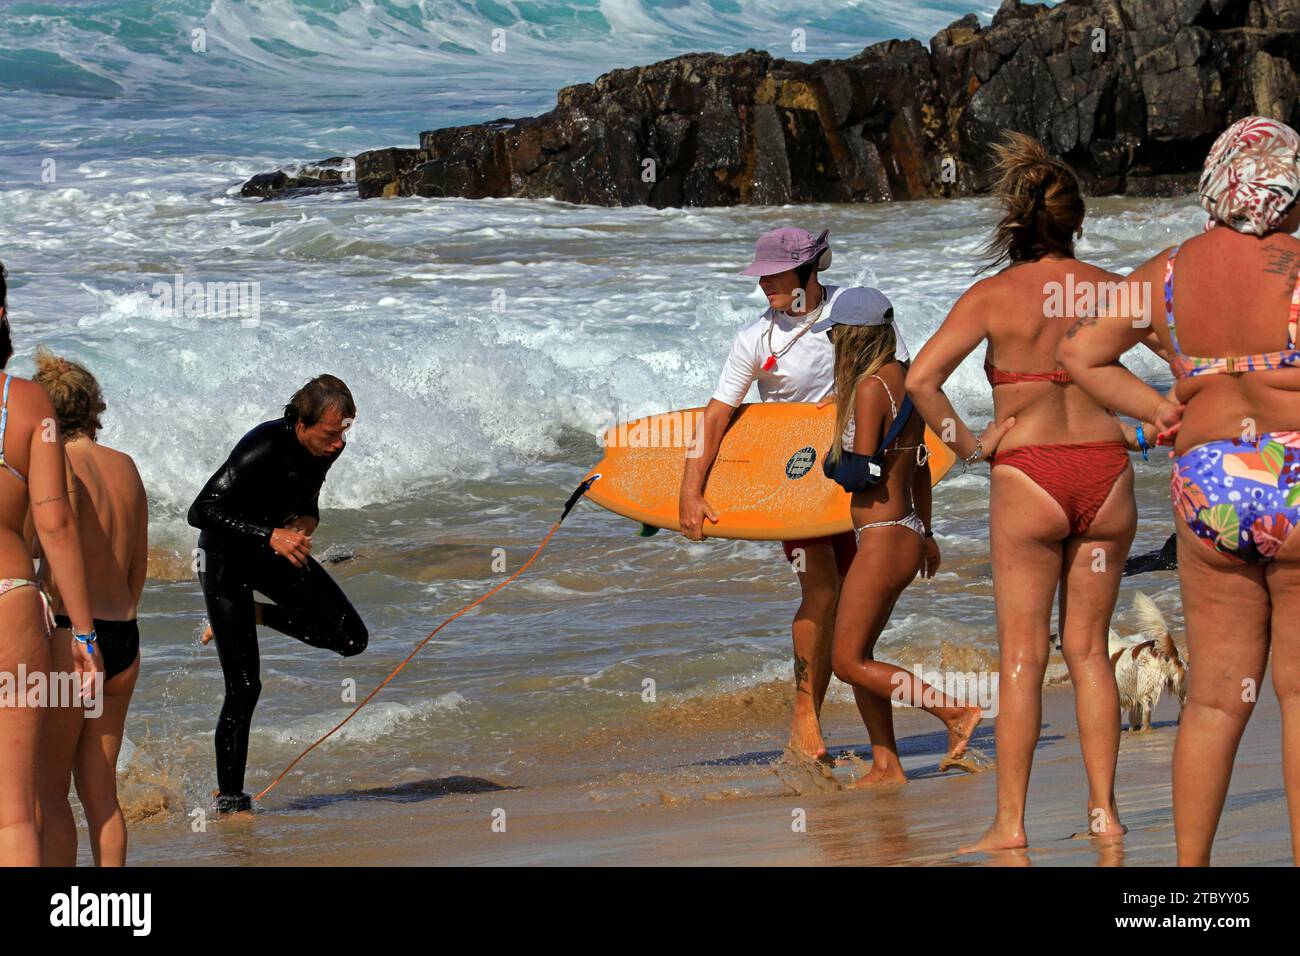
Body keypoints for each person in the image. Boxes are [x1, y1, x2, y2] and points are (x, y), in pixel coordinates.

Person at [1059, 116, 1300, 865]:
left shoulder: (1168, 272)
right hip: (1293, 472)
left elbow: (1081, 352)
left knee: (1217, 698)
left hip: (1209, 485)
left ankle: (1188, 885)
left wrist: (1160, 408)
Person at [907, 132, 1157, 852]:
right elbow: (1187, 361)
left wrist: (969, 446)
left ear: (1018, 223)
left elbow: (923, 382)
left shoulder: (991, 296)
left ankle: (1010, 827)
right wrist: (1151, 422)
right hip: (1107, 478)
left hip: (1029, 478)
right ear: (1077, 220)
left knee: (1020, 659)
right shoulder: (1118, 289)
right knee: (1088, 654)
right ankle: (1104, 812)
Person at [679, 227, 913, 762]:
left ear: (810, 273)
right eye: (761, 275)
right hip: (796, 483)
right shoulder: (754, 338)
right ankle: (805, 716)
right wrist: (690, 491)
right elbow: (716, 416)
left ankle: (885, 758)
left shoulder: (857, 315)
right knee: (823, 593)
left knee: (857, 616)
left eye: (775, 274)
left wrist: (920, 518)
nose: (764, 284)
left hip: (859, 481)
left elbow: (903, 395)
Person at [813, 288, 983, 785]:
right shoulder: (907, 382)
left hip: (884, 536)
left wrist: (825, 461)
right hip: (903, 530)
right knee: (861, 654)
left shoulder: (868, 390)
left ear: (853, 338)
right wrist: (926, 534)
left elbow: (860, 471)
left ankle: (955, 712)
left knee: (845, 661)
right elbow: (922, 469)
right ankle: (886, 763)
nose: (833, 346)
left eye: (837, 338)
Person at [189, 375, 368, 813]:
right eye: (331, 433)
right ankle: (231, 800)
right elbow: (202, 510)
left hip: (274, 551)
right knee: (245, 687)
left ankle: (254, 614)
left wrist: (306, 522)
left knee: (350, 639)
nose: (339, 442)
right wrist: (268, 534)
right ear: (301, 423)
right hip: (225, 562)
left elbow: (305, 501)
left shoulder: (324, 450)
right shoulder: (262, 446)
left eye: (345, 430)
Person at [29, 349, 147, 866]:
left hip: (73, 638)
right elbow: (137, 567)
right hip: (125, 637)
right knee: (102, 798)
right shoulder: (125, 466)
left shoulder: (54, 465)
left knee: (49, 793)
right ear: (93, 404)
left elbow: (42, 544)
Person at [0, 262, 99, 865]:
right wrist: (83, 632)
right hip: (9, 597)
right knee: (14, 810)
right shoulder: (26, 400)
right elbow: (55, 523)